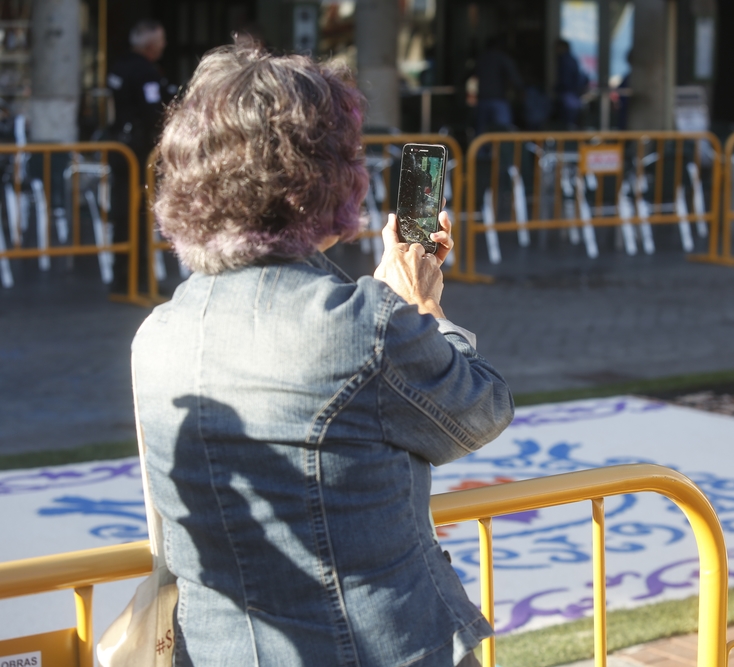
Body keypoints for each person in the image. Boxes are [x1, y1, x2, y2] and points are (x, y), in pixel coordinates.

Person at [132, 45, 514, 666]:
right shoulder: (363, 326)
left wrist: (391, 309)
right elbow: (481, 409)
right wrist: (424, 311)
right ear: (322, 177)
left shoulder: (158, 332)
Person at [107, 19, 173, 293]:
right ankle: (140, 278)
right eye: (160, 41)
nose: (164, 46)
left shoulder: (118, 66)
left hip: (119, 148)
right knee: (142, 215)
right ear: (150, 45)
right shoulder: (145, 72)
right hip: (138, 152)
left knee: (122, 213)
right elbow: (153, 113)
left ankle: (122, 274)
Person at [474, 35, 522, 134]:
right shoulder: (502, 58)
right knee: (502, 133)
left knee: (482, 133)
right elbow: (515, 78)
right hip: (498, 99)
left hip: (483, 99)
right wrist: (520, 91)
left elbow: (469, 74)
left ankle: (481, 150)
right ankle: (501, 150)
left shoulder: (482, 58)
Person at [555, 39, 587, 129]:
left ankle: (571, 140)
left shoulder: (566, 60)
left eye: (557, 47)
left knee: (570, 122)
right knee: (571, 120)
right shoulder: (570, 59)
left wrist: (558, 89)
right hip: (572, 93)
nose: (556, 50)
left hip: (570, 93)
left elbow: (566, 80)